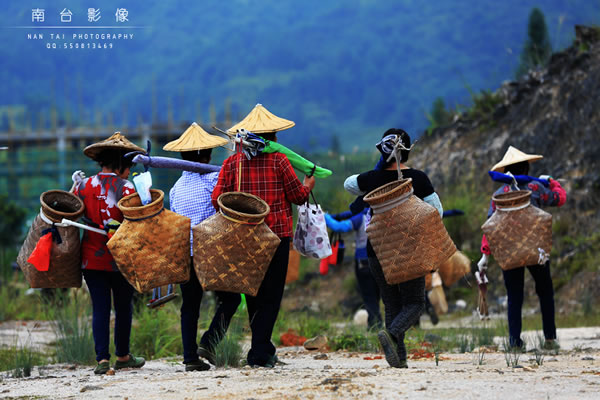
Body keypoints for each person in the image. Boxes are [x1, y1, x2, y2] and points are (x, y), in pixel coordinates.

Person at [211, 104, 315, 368]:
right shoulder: (279, 160)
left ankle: (263, 349)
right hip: (276, 236)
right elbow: (298, 197)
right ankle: (258, 352)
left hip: (244, 237)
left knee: (254, 293)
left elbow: (216, 200)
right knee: (271, 295)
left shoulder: (232, 163)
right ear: (273, 138)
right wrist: (308, 185)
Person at [344, 128, 443, 368]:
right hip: (408, 249)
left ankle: (399, 358)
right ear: (407, 152)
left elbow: (349, 184)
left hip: (376, 249)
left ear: (382, 150)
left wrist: (377, 173)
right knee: (416, 303)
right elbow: (437, 212)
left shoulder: (370, 179)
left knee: (391, 302)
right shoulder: (418, 179)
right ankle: (393, 334)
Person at [164, 123, 242, 371]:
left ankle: (190, 357)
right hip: (211, 252)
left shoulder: (176, 188)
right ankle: (209, 341)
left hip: (186, 252)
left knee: (190, 305)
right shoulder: (214, 178)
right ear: (206, 155)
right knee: (230, 300)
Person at [478, 146, 566, 349]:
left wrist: (485, 254)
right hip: (537, 250)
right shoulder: (535, 188)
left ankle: (515, 342)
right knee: (545, 292)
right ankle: (550, 339)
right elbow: (559, 199)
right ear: (527, 169)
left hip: (510, 252)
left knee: (514, 296)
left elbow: (490, 226)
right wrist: (553, 182)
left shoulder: (499, 195)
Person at [74, 132, 146, 375]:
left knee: (100, 309)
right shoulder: (126, 188)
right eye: (127, 167)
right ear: (119, 165)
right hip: (121, 257)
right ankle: (123, 356)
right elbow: (137, 220)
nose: (128, 172)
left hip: (90, 258)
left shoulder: (82, 186)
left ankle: (102, 360)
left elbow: (71, 211)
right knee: (124, 307)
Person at [324, 209, 382, 329]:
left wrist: (324, 216)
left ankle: (374, 325)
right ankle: (380, 324)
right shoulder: (382, 213)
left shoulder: (360, 218)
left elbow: (339, 227)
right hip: (381, 262)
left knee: (369, 296)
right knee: (378, 295)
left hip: (363, 263)